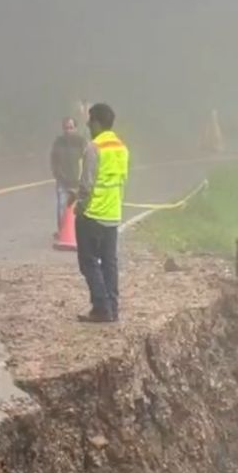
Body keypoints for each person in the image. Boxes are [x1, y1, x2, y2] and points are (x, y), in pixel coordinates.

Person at [72, 103, 130, 324]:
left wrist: (80, 207)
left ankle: (101, 307)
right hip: (113, 214)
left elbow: (86, 184)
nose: (88, 124)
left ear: (97, 122)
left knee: (88, 261)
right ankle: (113, 307)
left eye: (90, 120)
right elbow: (121, 180)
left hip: (93, 213)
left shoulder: (94, 148)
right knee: (109, 262)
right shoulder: (122, 148)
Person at [50, 117, 87, 231]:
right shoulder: (58, 142)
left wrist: (83, 179)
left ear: (76, 128)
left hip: (78, 182)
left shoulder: (81, 142)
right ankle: (62, 230)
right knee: (62, 206)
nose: (68, 130)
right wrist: (57, 174)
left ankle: (78, 231)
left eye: (71, 128)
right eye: (66, 128)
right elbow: (54, 160)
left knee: (79, 208)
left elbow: (87, 160)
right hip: (62, 181)